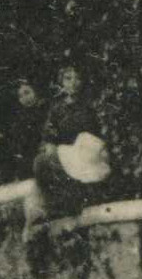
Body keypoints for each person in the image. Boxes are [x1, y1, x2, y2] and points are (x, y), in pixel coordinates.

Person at [28, 65, 111, 225]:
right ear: (61, 82)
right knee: (41, 161)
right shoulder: (58, 108)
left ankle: (75, 201)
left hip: (87, 153)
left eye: (77, 78)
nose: (73, 83)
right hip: (65, 152)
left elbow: (96, 134)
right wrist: (50, 143)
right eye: (68, 79)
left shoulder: (90, 105)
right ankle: (54, 205)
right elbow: (50, 131)